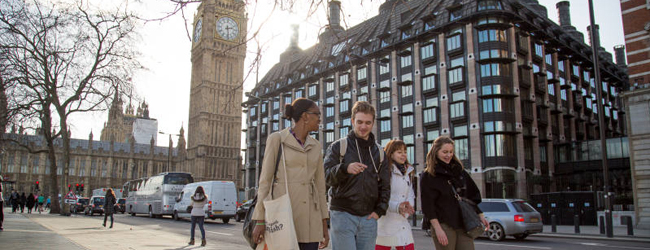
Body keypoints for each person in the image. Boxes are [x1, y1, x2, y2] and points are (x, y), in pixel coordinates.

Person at [252, 98, 329, 250]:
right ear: (305, 116)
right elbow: (265, 182)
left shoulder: (316, 146)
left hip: (311, 221)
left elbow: (320, 187)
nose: (320, 119)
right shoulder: (277, 139)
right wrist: (259, 220)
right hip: (283, 216)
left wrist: (324, 225)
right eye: (317, 114)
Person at [324, 101, 391, 250]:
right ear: (352, 121)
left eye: (368, 123)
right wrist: (345, 168)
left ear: (373, 123)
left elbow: (385, 185)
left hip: (369, 217)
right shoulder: (339, 146)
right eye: (359, 122)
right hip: (342, 215)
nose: (363, 126)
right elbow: (326, 177)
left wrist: (380, 210)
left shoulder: (380, 152)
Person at [420, 136, 489, 250]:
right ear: (436, 151)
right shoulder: (428, 176)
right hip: (443, 224)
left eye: (451, 152)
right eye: (445, 152)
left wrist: (481, 215)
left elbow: (471, 195)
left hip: (463, 223)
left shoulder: (459, 171)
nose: (448, 155)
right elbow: (428, 205)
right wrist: (437, 229)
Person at [375, 140, 415, 250]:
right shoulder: (385, 172)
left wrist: (408, 207)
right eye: (399, 152)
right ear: (391, 153)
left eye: (405, 152)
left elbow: (410, 194)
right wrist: (397, 207)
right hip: (385, 223)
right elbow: (380, 197)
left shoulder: (409, 172)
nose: (403, 155)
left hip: (402, 222)